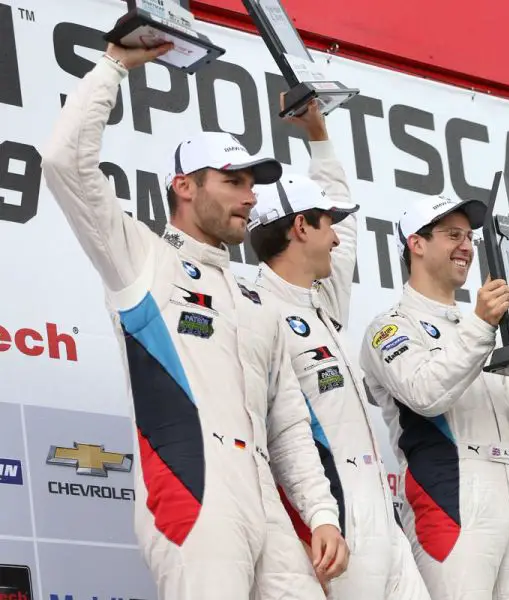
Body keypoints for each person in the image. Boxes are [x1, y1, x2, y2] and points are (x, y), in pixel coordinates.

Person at [41, 42, 348, 599]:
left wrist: (322, 513)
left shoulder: (255, 299)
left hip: (268, 506)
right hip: (194, 489)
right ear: (184, 186)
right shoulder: (141, 259)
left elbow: (287, 425)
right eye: (233, 181)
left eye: (253, 184)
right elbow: (66, 164)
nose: (250, 197)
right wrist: (114, 64)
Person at [246, 103, 430, 600]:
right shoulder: (256, 311)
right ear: (300, 228)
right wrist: (315, 518)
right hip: (334, 518)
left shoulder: (322, 299)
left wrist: (320, 138)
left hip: (381, 511)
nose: (336, 236)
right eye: (326, 224)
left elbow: (346, 234)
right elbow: (279, 436)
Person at [358, 194, 509, 600]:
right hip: (448, 496)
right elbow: (426, 393)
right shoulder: (391, 328)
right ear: (416, 243)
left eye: (469, 236)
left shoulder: (482, 329)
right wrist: (481, 325)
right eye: (453, 234)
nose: (467, 247)